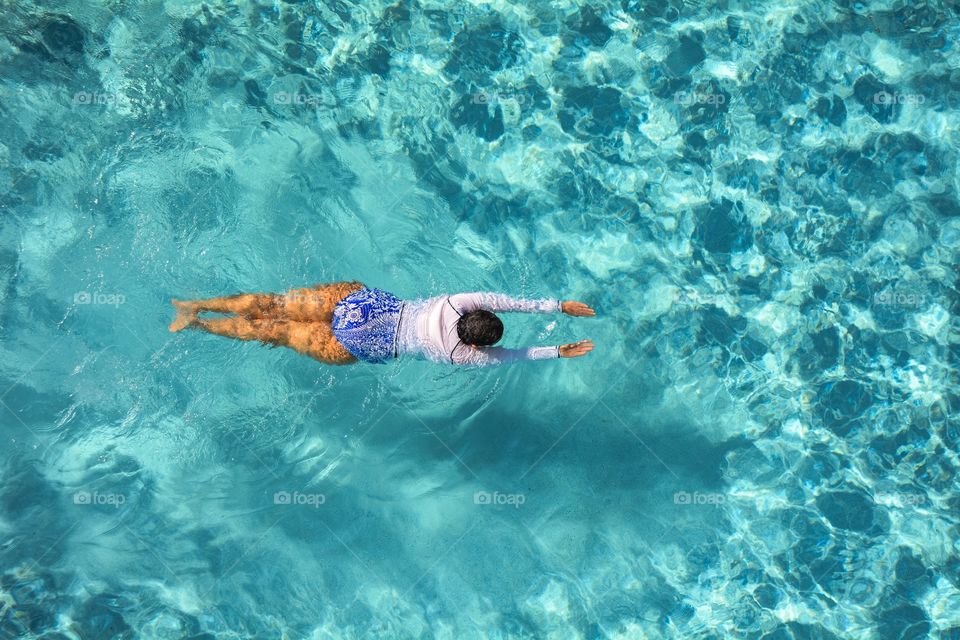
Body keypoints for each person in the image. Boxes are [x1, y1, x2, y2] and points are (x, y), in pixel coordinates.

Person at [169, 281, 595, 366]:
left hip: (362, 306)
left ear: (472, 315)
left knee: (274, 304)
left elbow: (508, 301)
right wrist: (558, 351)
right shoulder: (460, 356)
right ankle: (196, 325)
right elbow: (514, 356)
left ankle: (194, 302)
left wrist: (557, 305)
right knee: (273, 331)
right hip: (361, 344)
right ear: (477, 344)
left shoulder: (454, 301)